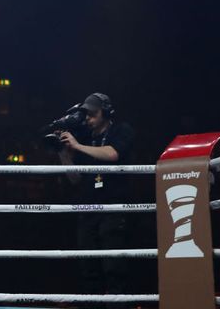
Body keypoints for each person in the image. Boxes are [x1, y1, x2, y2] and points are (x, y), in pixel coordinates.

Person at [58, 92, 134, 307]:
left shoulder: (121, 130)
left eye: (93, 114)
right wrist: (63, 153)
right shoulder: (83, 137)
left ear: (106, 113)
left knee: (114, 267)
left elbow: (113, 154)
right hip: (87, 209)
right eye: (86, 115)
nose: (88, 119)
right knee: (88, 267)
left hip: (113, 208)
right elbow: (74, 179)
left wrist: (77, 146)